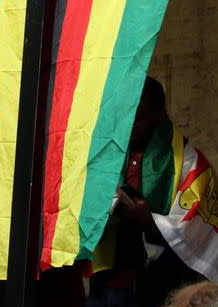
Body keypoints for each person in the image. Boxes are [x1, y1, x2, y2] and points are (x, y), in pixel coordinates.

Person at [87, 77, 217, 307]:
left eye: (138, 119)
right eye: (124, 119)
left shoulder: (189, 163)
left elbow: (200, 231)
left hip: (162, 283)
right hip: (108, 280)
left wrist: (151, 222)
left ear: (160, 113)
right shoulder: (108, 155)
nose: (130, 127)